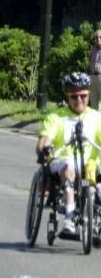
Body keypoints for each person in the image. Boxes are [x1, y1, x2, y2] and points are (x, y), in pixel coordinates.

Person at [36, 72, 101, 235]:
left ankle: (94, 214)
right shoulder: (56, 117)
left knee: (94, 175)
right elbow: (46, 138)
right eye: (74, 97)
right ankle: (70, 219)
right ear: (67, 97)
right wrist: (44, 148)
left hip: (89, 162)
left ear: (89, 94)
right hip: (63, 160)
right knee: (68, 169)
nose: (79, 100)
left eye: (83, 96)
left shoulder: (97, 118)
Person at [89, 30, 101, 110]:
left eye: (100, 37)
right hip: (93, 77)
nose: (98, 39)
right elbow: (89, 62)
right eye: (96, 37)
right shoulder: (92, 49)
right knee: (93, 103)